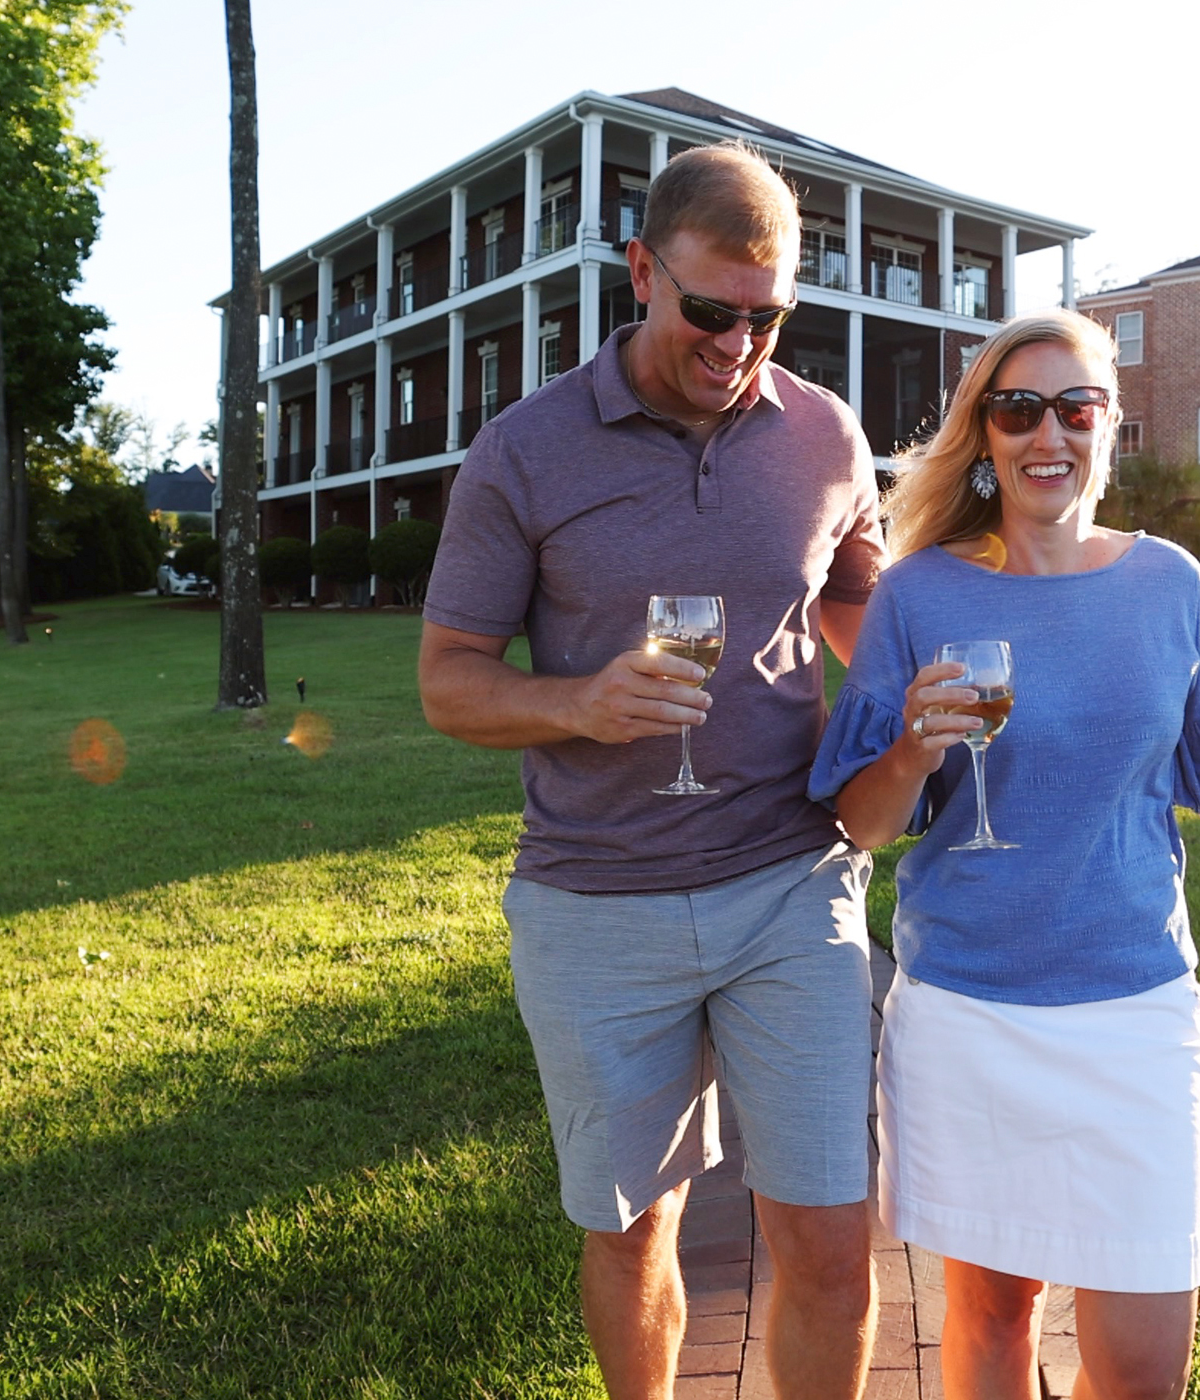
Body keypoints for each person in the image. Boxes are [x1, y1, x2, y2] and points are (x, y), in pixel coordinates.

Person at [809, 309, 1200, 1400]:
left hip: (1134, 1013)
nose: (1048, 432)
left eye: (1075, 407)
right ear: (985, 437)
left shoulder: (1169, 584)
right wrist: (909, 746)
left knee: (1142, 1369)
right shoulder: (919, 594)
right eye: (1018, 408)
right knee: (994, 1317)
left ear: (1110, 427)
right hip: (968, 1011)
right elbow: (861, 823)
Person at [418, 143, 887, 1400]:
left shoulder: (824, 434)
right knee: (633, 1234)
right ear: (640, 271)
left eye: (770, 314)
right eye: (712, 310)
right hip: (594, 903)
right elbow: (448, 676)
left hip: (792, 884)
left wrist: (913, 682)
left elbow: (854, 605)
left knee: (833, 1238)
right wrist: (579, 698)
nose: (741, 342)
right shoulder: (524, 450)